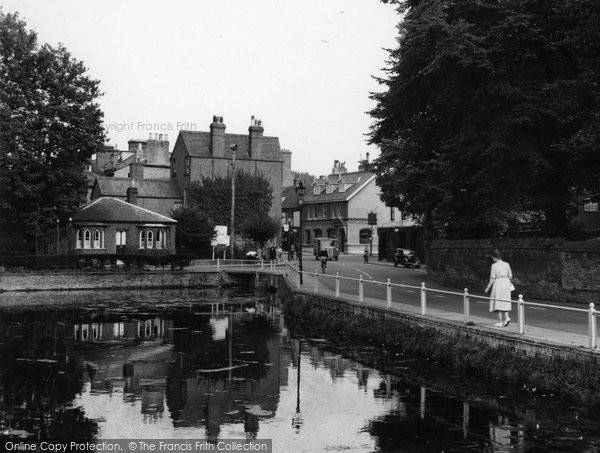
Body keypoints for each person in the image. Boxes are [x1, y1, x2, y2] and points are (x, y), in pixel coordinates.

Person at [484, 249, 514, 327]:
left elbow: (492, 278)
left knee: (498, 301)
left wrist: (487, 287)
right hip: (506, 283)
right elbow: (510, 276)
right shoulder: (507, 264)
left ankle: (500, 321)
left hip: (499, 283)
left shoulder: (494, 265)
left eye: (492, 258)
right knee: (505, 300)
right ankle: (507, 317)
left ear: (494, 257)